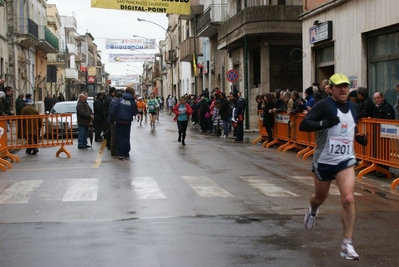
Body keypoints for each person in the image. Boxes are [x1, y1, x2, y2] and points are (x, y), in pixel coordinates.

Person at [299, 73, 367, 260]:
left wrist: (359, 137)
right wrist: (325, 123)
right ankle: (312, 210)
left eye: (345, 86)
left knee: (348, 198)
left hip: (345, 160)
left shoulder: (354, 107)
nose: (343, 89)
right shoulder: (323, 105)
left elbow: (350, 127)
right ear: (330, 89)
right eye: (339, 86)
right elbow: (304, 125)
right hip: (324, 161)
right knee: (320, 198)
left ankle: (347, 243)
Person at [108, 87, 138, 160]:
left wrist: (114, 119)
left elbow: (113, 111)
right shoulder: (132, 102)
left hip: (119, 121)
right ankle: (126, 153)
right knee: (126, 137)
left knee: (119, 137)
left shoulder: (119, 100)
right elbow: (135, 112)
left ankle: (120, 153)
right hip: (127, 121)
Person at [372, 91, 395, 178]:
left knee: (384, 152)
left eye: (378, 98)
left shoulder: (387, 107)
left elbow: (389, 119)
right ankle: (379, 168)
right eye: (375, 99)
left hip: (385, 133)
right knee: (378, 152)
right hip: (377, 134)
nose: (377, 100)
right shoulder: (376, 107)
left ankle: (385, 170)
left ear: (382, 98)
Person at [108, 90, 123, 156]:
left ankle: (115, 149)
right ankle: (114, 151)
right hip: (113, 122)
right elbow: (112, 112)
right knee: (114, 136)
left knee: (115, 136)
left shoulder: (115, 101)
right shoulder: (114, 102)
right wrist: (114, 120)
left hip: (114, 121)